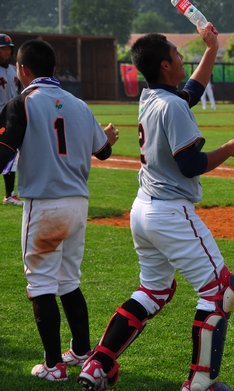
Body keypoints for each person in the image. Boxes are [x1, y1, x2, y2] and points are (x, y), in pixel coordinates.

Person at [77, 23, 234, 391]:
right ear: (166, 65)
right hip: (171, 211)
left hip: (143, 209)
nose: (179, 54)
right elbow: (190, 164)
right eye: (174, 52)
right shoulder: (171, 105)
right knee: (221, 290)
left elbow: (190, 91)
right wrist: (232, 148)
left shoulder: (151, 95)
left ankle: (98, 364)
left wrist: (212, 50)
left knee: (154, 290)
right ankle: (201, 382)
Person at [0, 39, 119, 382]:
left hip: (44, 203)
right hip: (77, 203)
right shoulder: (79, 104)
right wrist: (105, 137)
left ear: (23, 70)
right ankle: (82, 350)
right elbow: (104, 152)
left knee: (40, 285)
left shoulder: (22, 102)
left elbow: (3, 154)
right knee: (68, 281)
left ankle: (53, 366)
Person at [0, 33, 23, 205]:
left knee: (10, 154)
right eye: (3, 49)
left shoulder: (14, 70)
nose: (6, 52)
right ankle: (9, 195)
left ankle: (9, 194)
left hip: (11, 118)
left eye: (8, 49)